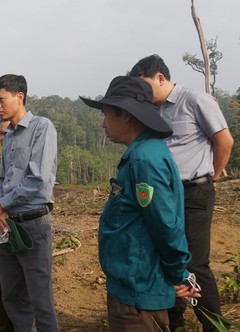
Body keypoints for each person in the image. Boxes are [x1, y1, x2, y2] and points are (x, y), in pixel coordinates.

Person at [80, 76, 200, 331]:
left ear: (125, 114)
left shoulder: (144, 160)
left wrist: (179, 274)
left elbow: (166, 224)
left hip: (138, 293)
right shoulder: (144, 153)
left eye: (106, 114)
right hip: (133, 285)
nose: (103, 124)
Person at [129, 54, 234, 332]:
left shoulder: (195, 100)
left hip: (194, 193)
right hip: (164, 196)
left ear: (160, 78)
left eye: (144, 86)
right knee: (167, 260)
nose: (141, 94)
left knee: (195, 264)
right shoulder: (151, 111)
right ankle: (172, 324)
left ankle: (215, 326)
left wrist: (211, 174)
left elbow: (224, 140)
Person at [0, 74, 58, 332]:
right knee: (11, 296)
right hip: (6, 226)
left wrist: (2, 205)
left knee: (40, 299)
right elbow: (1, 178)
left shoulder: (42, 128)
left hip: (33, 224)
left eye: (1, 99)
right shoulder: (11, 135)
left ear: (20, 97)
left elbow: (37, 178)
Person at [0, 119, 14, 332]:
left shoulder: (25, 157)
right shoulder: (3, 160)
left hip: (20, 225)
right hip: (0, 226)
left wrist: (4, 207)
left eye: (10, 132)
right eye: (1, 133)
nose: (5, 137)